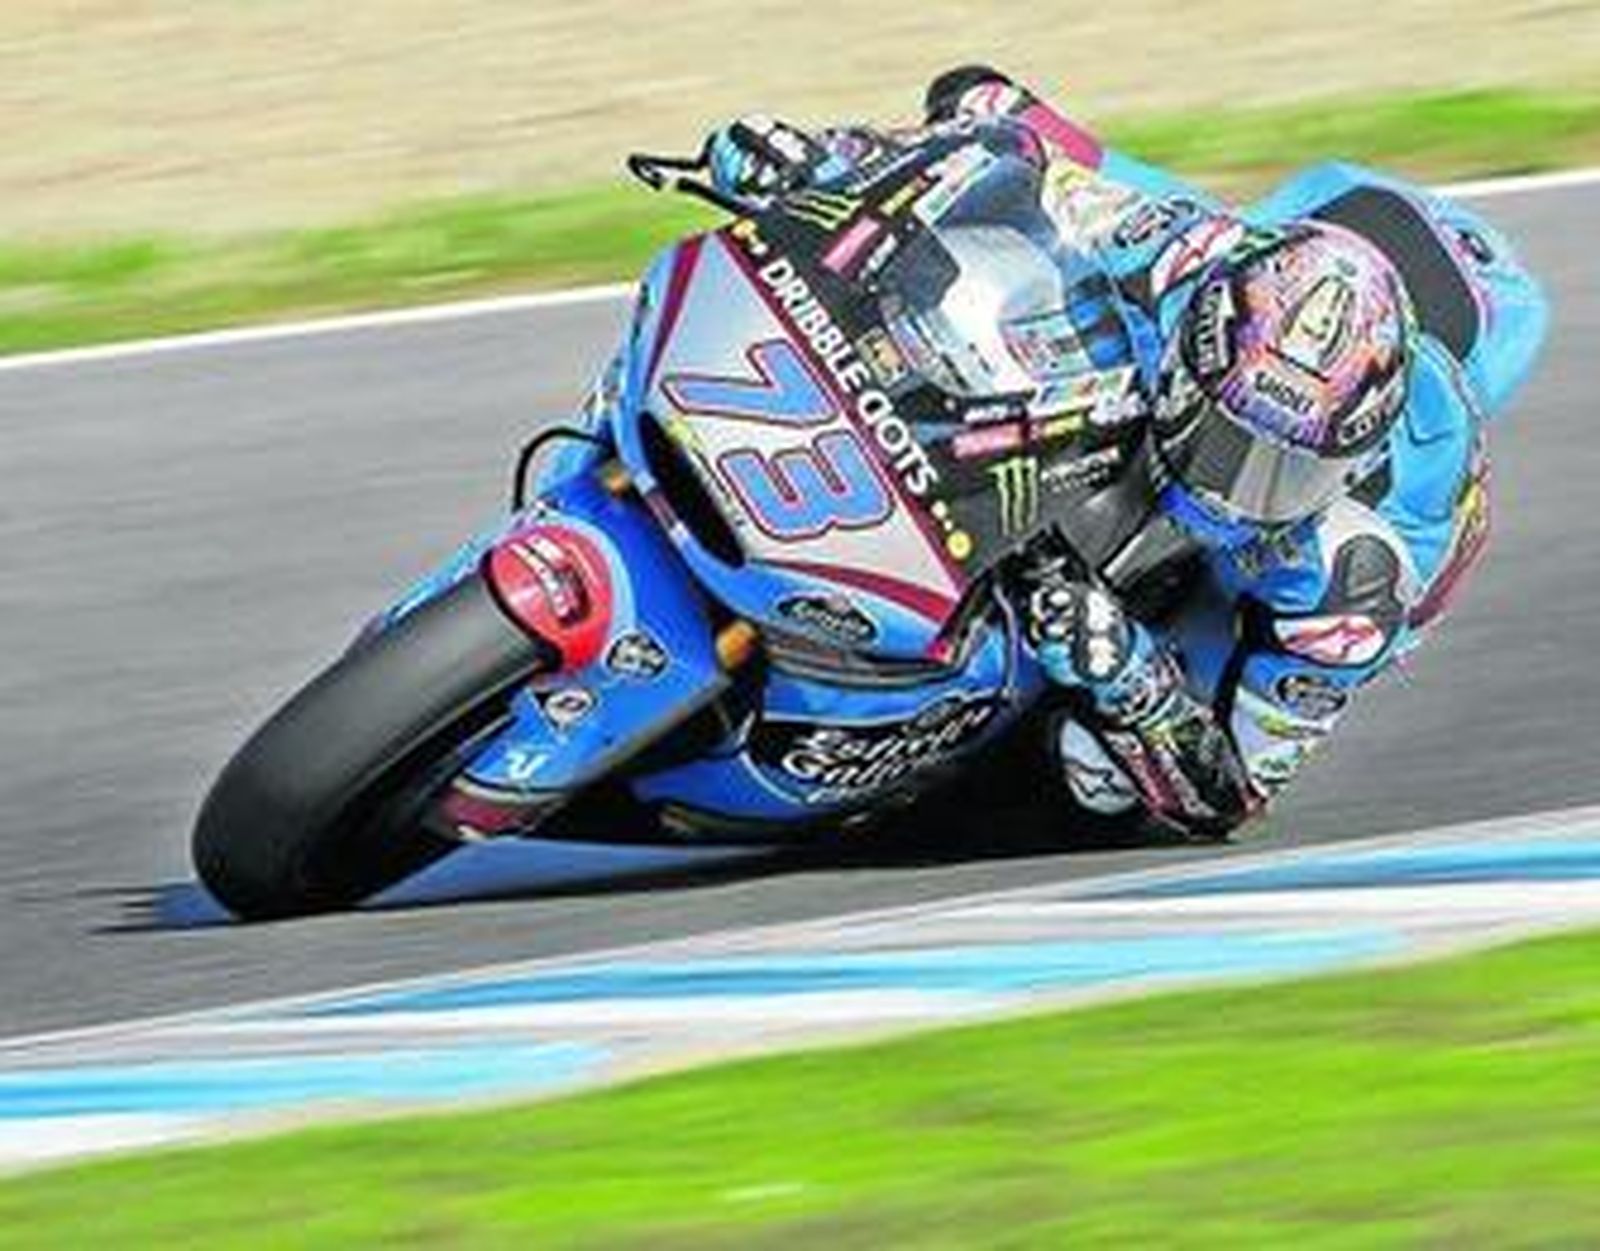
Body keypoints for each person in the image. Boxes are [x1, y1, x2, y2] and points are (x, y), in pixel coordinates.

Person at [700, 67, 1549, 840]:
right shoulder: (1183, 258)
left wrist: (1128, 673)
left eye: (1282, 469)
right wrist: (824, 159)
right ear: (1202, 350)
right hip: (1197, 300)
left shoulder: (1353, 576)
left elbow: (1227, 795)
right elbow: (1002, 142)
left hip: (1268, 589)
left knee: (1094, 778)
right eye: (1228, 440)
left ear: (1346, 455)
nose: (1237, 488)